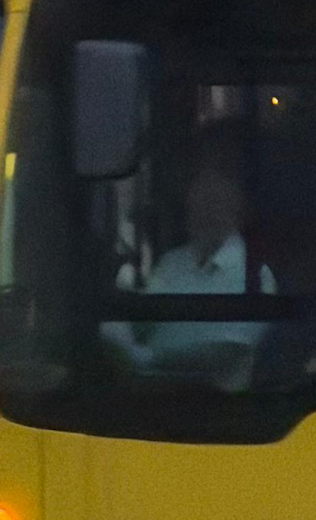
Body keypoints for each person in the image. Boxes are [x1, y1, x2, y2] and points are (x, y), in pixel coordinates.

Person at [104, 165, 276, 389]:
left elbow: (229, 352)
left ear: (237, 208)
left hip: (219, 411)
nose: (204, 212)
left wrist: (147, 358)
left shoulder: (256, 274)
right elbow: (143, 324)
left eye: (214, 202)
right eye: (197, 200)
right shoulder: (172, 262)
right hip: (149, 401)